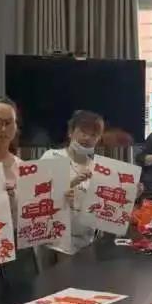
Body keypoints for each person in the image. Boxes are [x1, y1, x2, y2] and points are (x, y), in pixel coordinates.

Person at [41, 109, 104, 255]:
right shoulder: (52, 157)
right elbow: (35, 195)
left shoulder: (99, 169)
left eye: (93, 135)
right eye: (83, 132)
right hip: (53, 243)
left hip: (87, 243)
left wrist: (131, 196)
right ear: (70, 132)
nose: (87, 138)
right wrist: (69, 184)